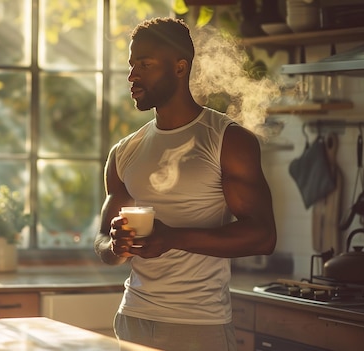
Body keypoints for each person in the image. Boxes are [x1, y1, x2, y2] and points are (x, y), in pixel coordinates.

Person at [94, 17, 277, 351]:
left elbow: (264, 236)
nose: (132, 76)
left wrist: (172, 238)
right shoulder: (123, 152)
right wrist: (116, 247)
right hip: (132, 318)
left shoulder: (227, 140)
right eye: (131, 65)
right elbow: (103, 241)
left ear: (180, 68)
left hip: (198, 327)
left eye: (144, 65)